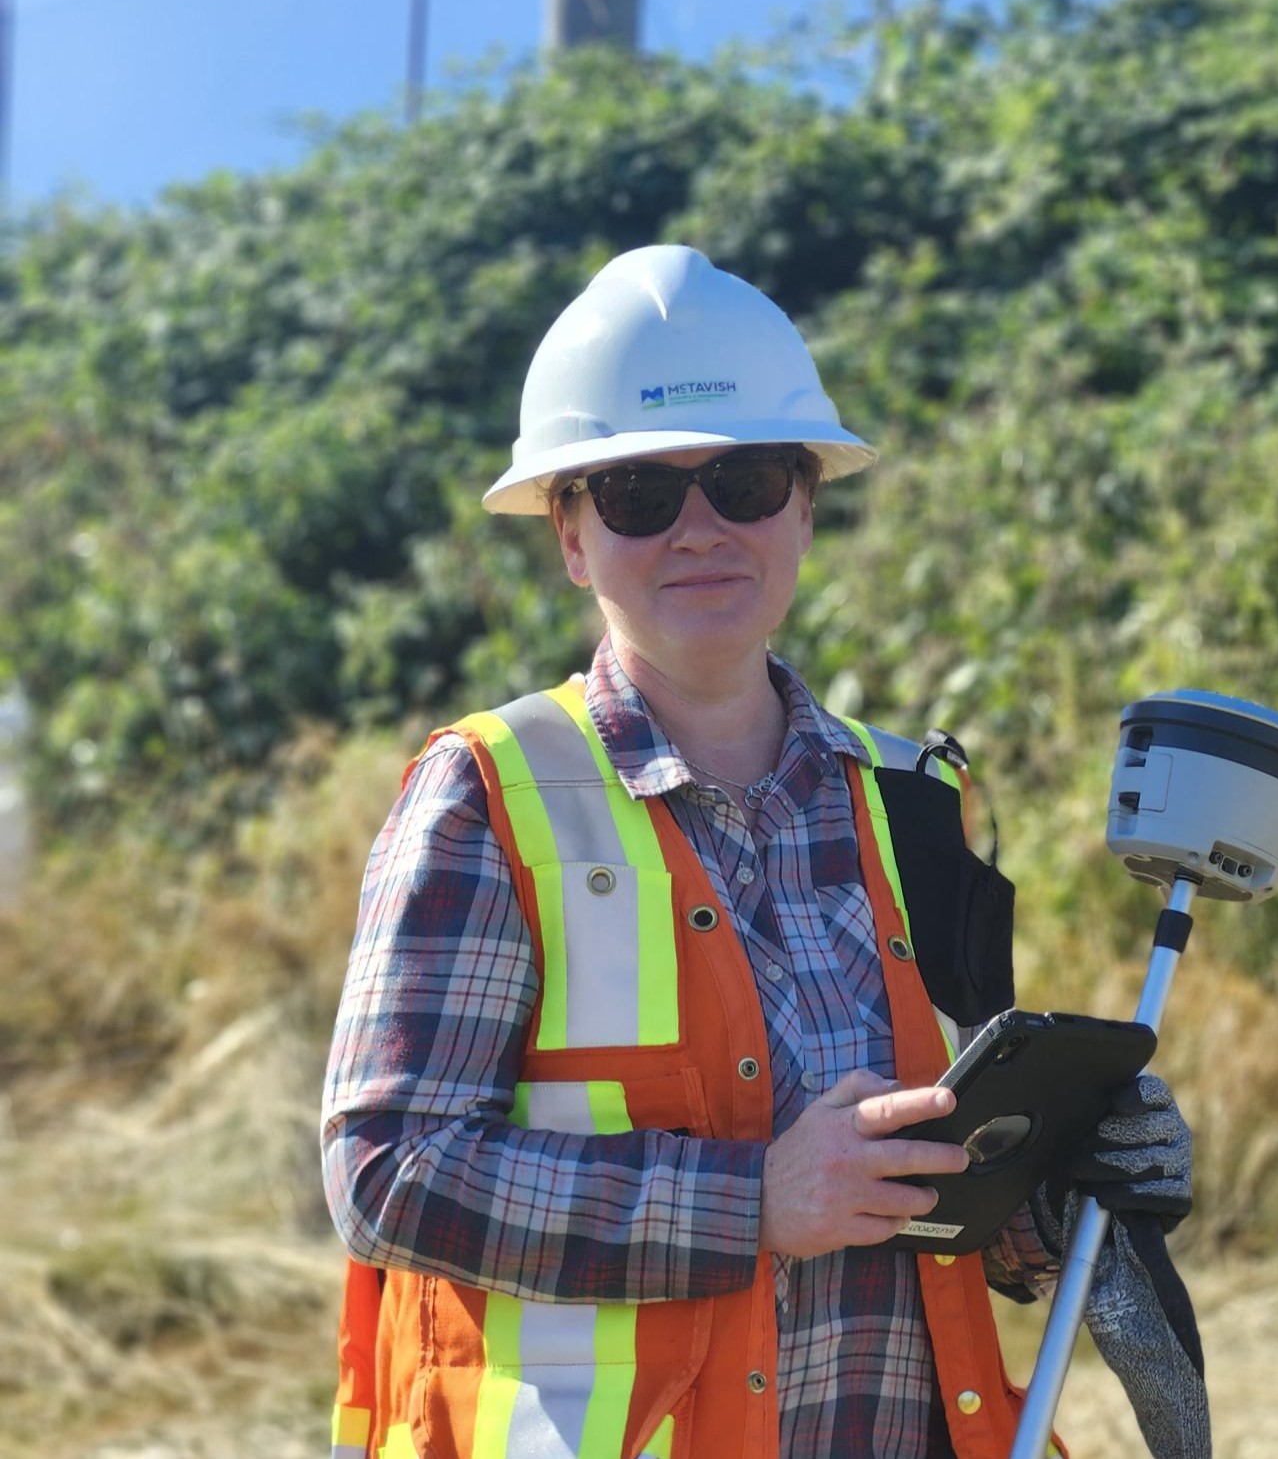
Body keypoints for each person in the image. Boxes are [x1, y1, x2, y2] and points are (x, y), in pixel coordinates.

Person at [322, 245, 1206, 1459]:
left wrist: (1063, 1183)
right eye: (637, 492)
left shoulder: (910, 797)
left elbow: (940, 1187)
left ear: (803, 505)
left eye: (741, 481)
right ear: (571, 536)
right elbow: (389, 1172)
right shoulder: (484, 796)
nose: (698, 529)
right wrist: (753, 1205)